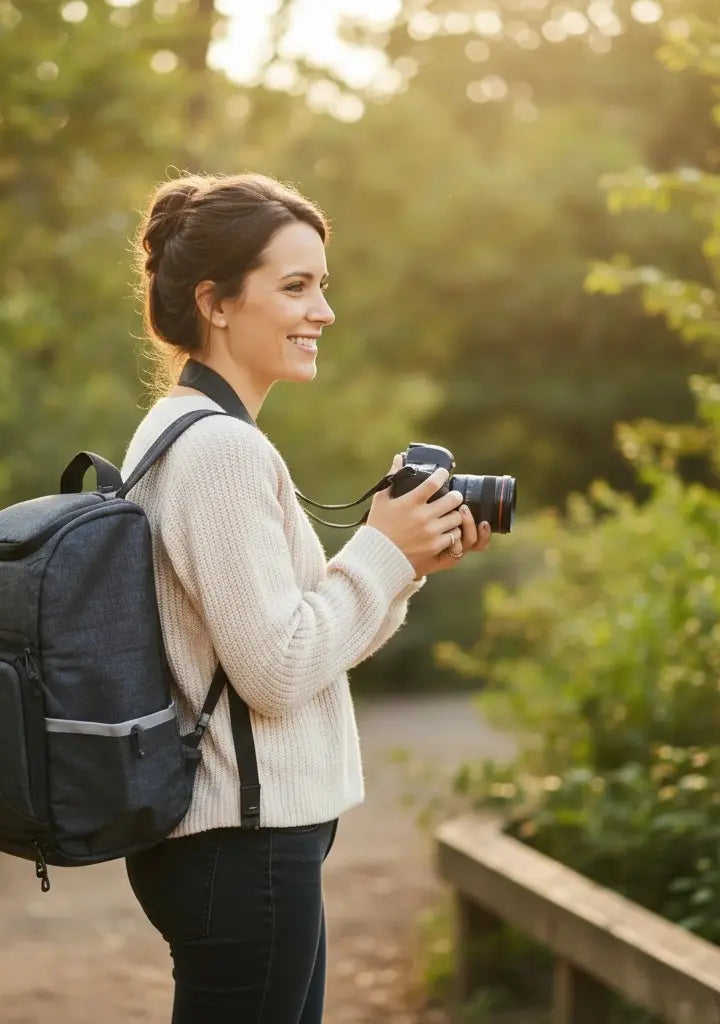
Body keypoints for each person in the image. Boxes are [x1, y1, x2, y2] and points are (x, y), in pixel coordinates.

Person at [118, 172, 492, 1024]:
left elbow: (291, 637)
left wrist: (402, 566)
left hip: (233, 845)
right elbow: (279, 672)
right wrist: (378, 552)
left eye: (322, 284)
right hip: (243, 847)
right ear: (215, 303)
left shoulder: (189, 432)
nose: (323, 311)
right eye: (295, 287)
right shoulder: (221, 453)